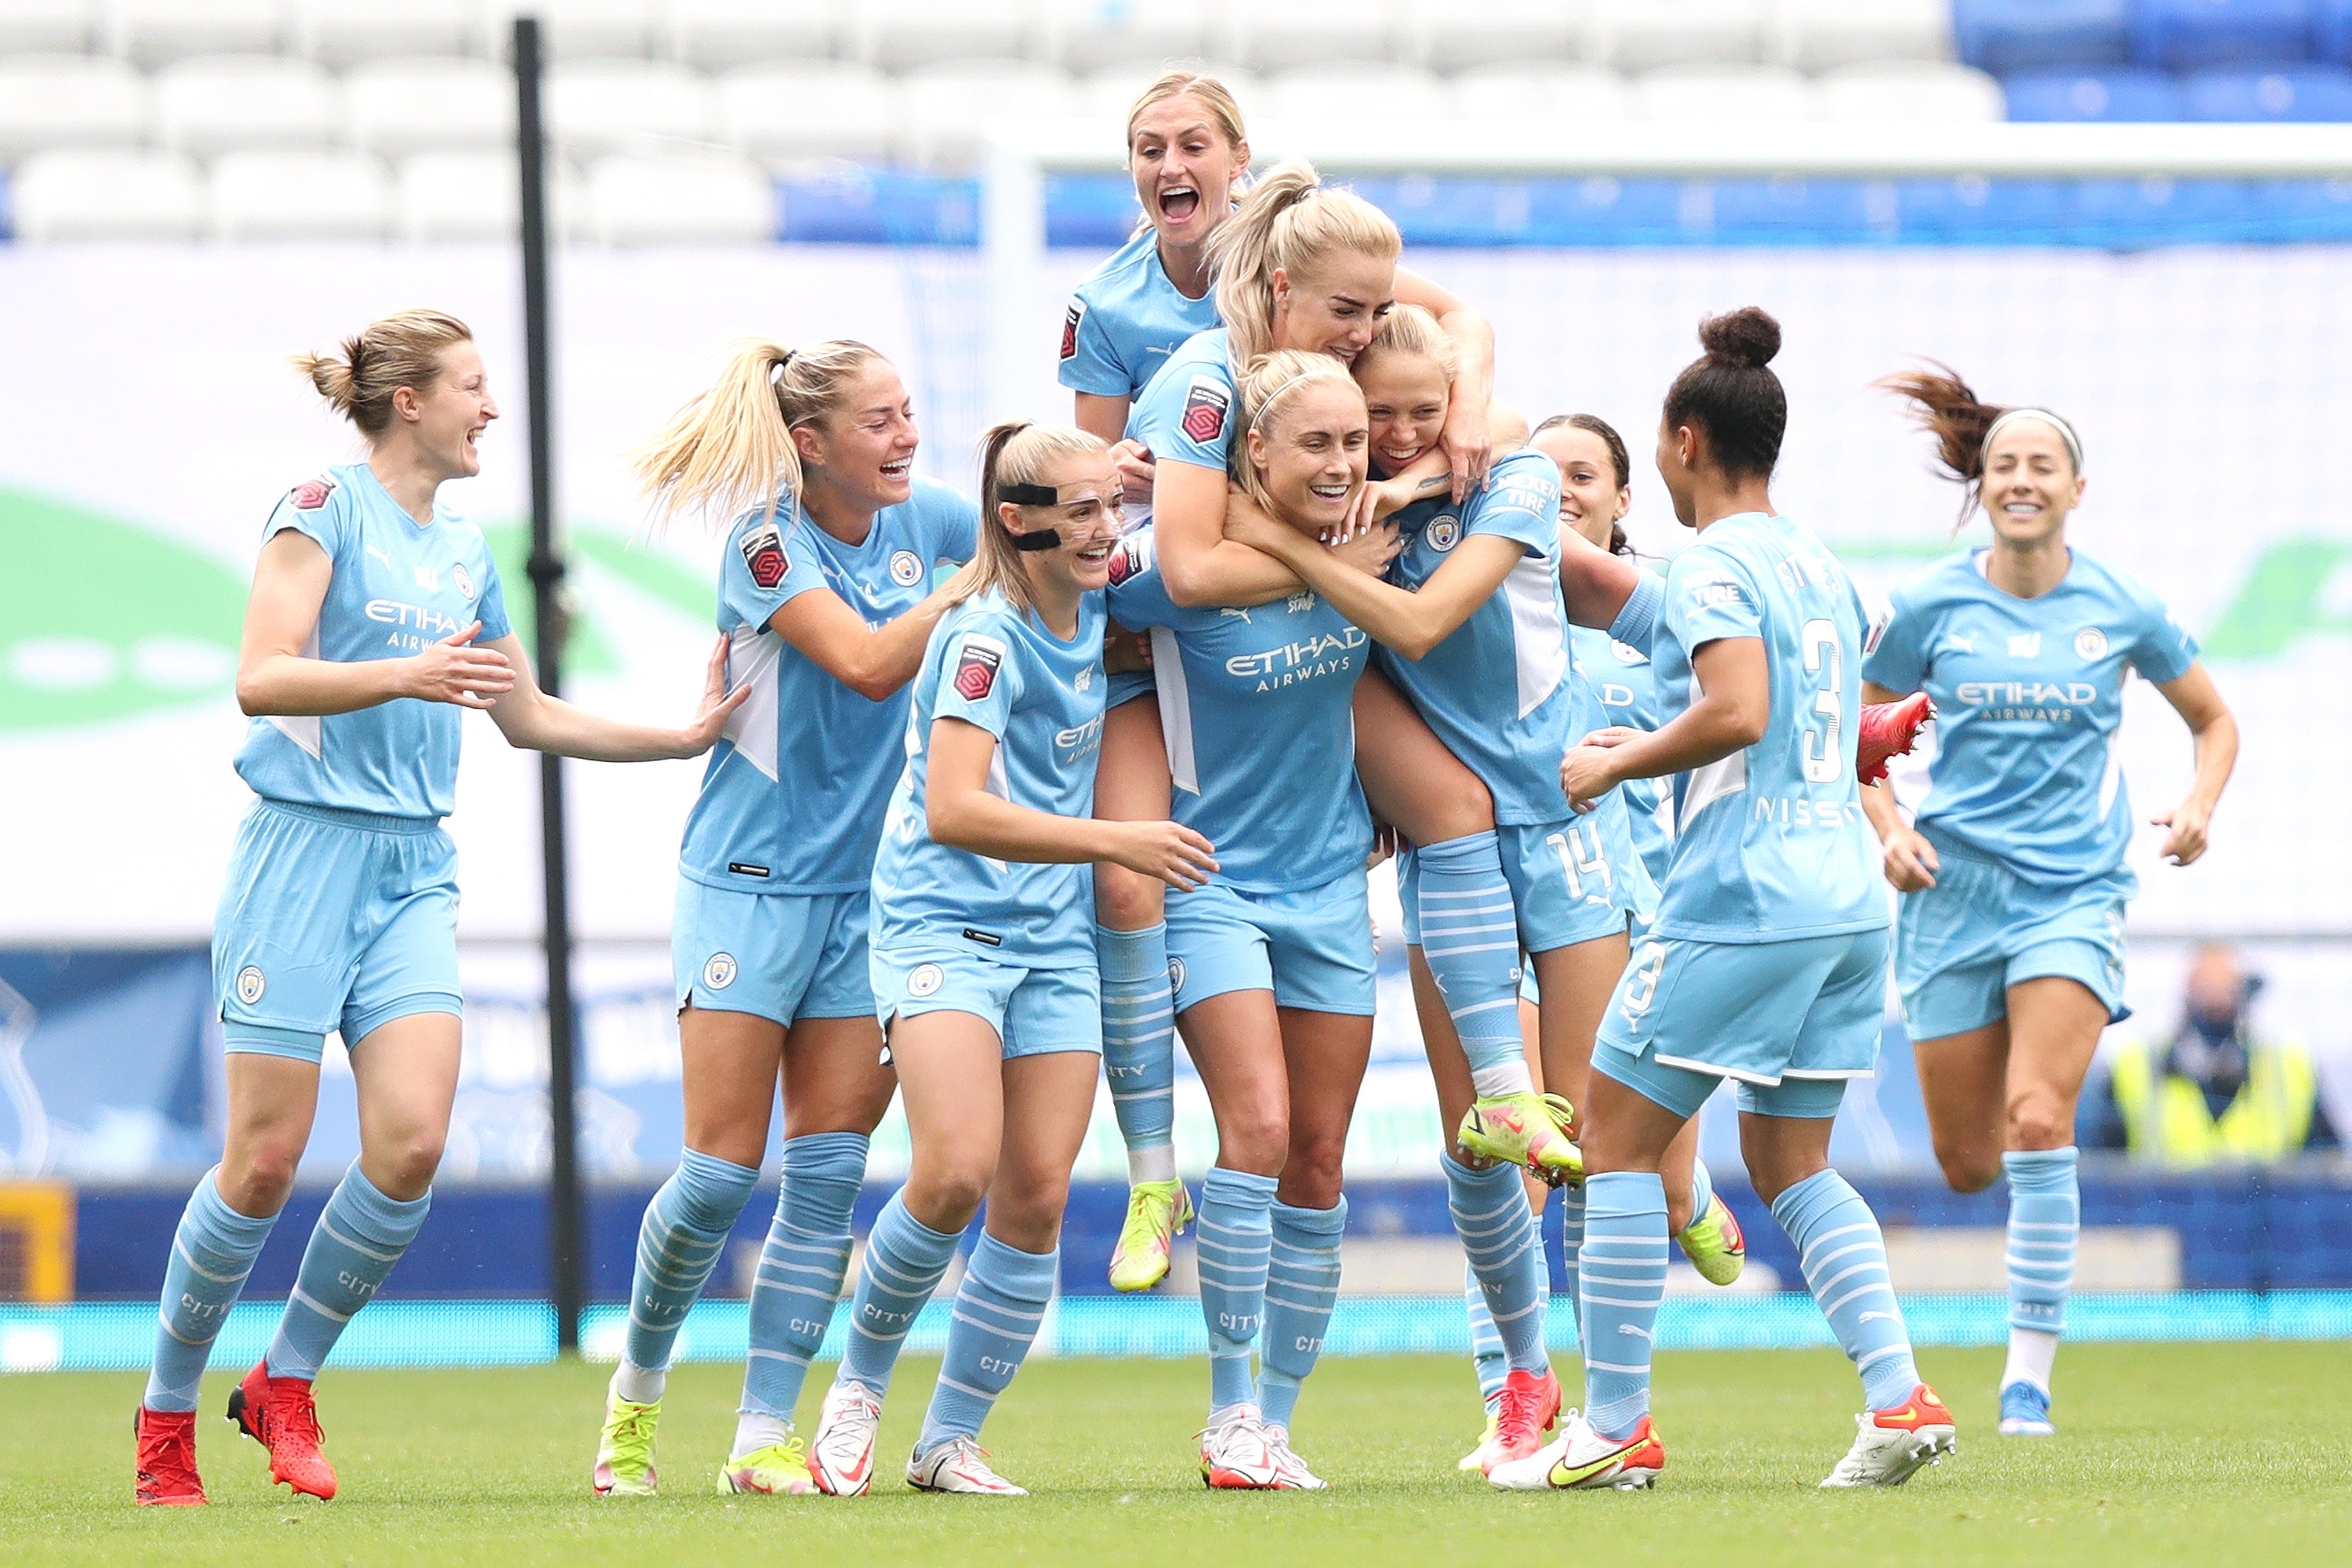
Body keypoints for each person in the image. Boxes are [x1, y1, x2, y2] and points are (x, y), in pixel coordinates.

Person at [134, 310, 742, 1508]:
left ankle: (285, 1383)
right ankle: (163, 1418)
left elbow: (523, 714)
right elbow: (261, 677)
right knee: (260, 1163)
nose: (491, 409)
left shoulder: (466, 547)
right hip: (300, 859)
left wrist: (675, 741)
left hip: (413, 868)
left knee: (409, 1147)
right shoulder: (322, 507)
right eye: (473, 386)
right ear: (408, 400)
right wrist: (404, 674)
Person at [1494, 307, 1955, 1494]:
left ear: (1683, 441)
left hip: (1743, 894)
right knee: (1793, 1159)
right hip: (1849, 908)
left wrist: (1617, 760)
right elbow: (1787, 704)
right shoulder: (1813, 562)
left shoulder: (1707, 566)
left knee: (1615, 1145)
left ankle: (1617, 1428)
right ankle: (1899, 1398)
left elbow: (1738, 710)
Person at [1226, 315, 1691, 1475]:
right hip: (1450, 846)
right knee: (1481, 1138)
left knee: (1596, 1136)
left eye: (1416, 411)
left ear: (1457, 404)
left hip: (1568, 818)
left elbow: (1426, 618)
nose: (1390, 432)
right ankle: (1518, 1384)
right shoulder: (1343, 494)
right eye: (1374, 414)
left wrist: (1330, 545)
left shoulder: (1517, 480)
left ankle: (1616, 1406)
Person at [1091, 159, 1511, 1295]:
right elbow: (1180, 564)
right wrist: (1317, 562)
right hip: (1167, 667)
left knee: (1460, 806)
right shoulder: (1207, 382)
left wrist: (1446, 438)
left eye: (1381, 310)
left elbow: (1470, 345)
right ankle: (1146, 1167)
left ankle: (1503, 1077)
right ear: (1281, 289)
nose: (1372, 331)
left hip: (1309, 734)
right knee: (1131, 885)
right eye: (1349, 310)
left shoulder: (1354, 362)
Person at [590, 340, 979, 1497]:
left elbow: (1043, 518)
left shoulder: (934, 520)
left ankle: (763, 1437)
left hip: (879, 896)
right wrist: (976, 578)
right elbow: (864, 664)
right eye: (880, 422)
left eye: (910, 414)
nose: (907, 438)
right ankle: (634, 1406)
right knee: (717, 1174)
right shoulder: (766, 543)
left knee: (826, 1174)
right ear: (811, 444)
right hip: (748, 880)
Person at [803, 423, 1217, 1497]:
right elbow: (953, 808)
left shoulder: (1103, 607)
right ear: (1017, 520)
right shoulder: (984, 638)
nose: (1103, 530)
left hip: (1053, 941)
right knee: (951, 1172)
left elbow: (1211, 558)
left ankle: (949, 1442)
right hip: (942, 926)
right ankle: (854, 1390)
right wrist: (1120, 841)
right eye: (1077, 511)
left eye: (1108, 506)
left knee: (1034, 1198)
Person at [1860, 365, 2239, 1439]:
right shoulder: (1932, 603)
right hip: (1949, 893)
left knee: (2040, 1116)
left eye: (2042, 465)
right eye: (2004, 465)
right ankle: (2017, 1324)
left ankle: (2027, 1379)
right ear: (1981, 486)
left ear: (2078, 489)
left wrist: (2200, 805)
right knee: (1970, 1162)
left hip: (2072, 891)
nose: (2021, 480)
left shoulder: (2121, 606)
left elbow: (2216, 722)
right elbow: (1854, 734)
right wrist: (1889, 830)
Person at [1106, 350, 1381, 1490]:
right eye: (1314, 443)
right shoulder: (1174, 574)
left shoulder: (1377, 537)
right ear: (1251, 450)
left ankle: (1274, 1419)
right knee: (1259, 1134)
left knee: (1319, 1162)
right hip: (1211, 881)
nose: (1341, 464)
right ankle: (1226, 1418)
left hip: (1331, 885)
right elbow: (1056, 577)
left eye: (1355, 442)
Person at [2085, 944, 2335, 1161]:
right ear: (2187, 994)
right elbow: (2102, 1166)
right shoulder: (2135, 1066)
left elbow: (2328, 1168)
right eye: (2206, 988)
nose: (2216, 1001)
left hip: (2268, 1213)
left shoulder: (2290, 1067)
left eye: (2225, 989)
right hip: (2161, 1211)